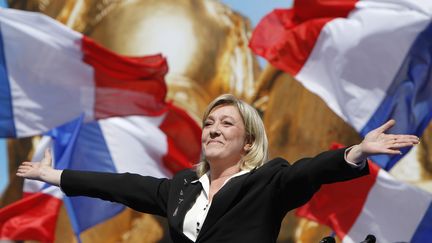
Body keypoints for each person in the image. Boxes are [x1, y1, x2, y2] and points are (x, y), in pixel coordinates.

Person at [17, 94, 419, 242]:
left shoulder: (268, 180)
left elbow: (309, 171)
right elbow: (121, 185)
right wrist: (53, 176)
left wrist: (356, 152)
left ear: (248, 142)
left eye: (226, 123)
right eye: (209, 123)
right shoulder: (180, 188)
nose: (212, 129)